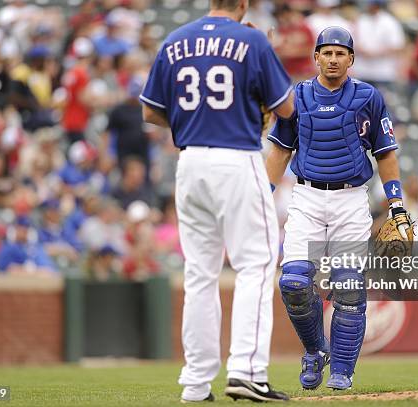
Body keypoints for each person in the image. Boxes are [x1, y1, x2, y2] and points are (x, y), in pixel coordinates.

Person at [139, 0, 295, 401]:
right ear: (243, 4)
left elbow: (150, 111)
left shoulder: (175, 40)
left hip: (189, 162)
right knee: (256, 264)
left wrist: (198, 116)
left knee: (200, 274)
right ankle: (247, 370)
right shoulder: (252, 40)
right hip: (235, 158)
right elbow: (287, 108)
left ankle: (195, 383)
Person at [265, 27, 412, 390]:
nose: (332, 59)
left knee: (348, 286)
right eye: (326, 53)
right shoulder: (295, 98)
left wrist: (396, 204)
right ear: (315, 57)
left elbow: (386, 153)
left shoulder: (368, 96)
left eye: (339, 53)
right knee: (294, 282)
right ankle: (315, 350)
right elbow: (281, 151)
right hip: (306, 197)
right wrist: (262, 197)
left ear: (351, 59)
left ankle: (343, 372)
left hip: (350, 199)